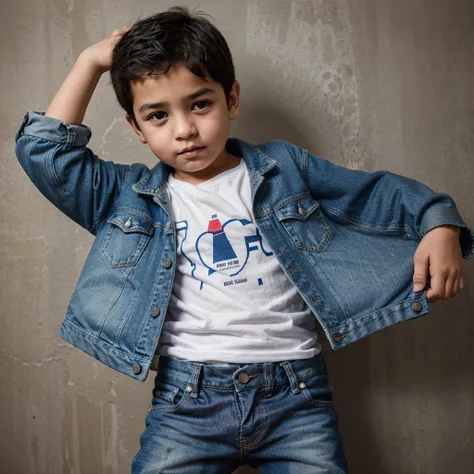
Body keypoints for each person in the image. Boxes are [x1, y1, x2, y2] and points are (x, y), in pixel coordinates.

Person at [15, 6, 472, 473]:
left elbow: (378, 194)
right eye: (157, 115)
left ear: (231, 99)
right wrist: (90, 62)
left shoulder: (284, 169)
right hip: (186, 401)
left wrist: (439, 223)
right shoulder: (127, 197)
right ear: (136, 128)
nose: (184, 129)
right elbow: (44, 153)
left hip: (297, 397)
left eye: (200, 104)